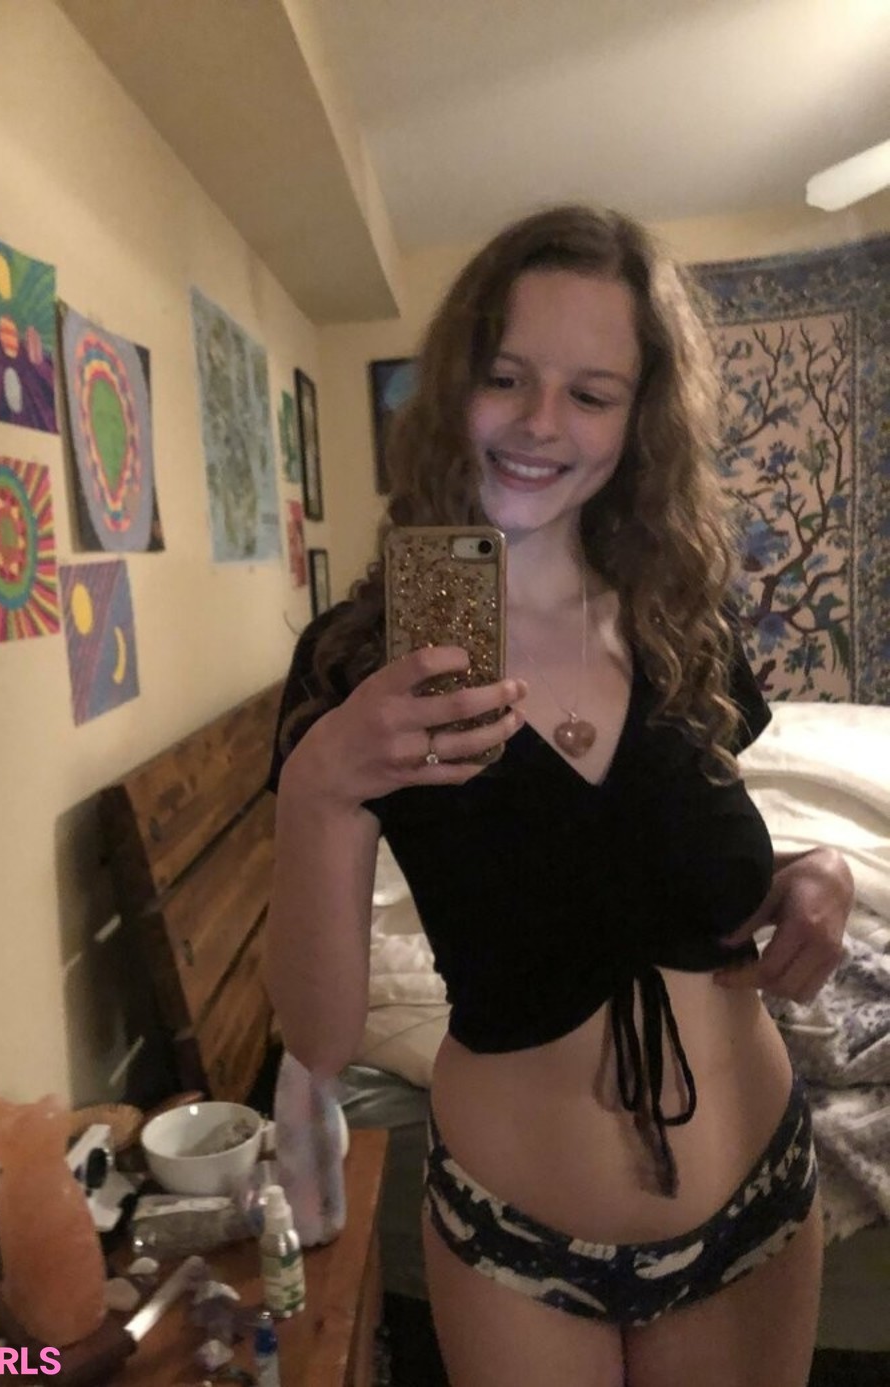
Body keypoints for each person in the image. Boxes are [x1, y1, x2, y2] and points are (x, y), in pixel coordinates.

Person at [263, 205, 853, 1387]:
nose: (541, 423)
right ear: (453, 390)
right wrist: (320, 787)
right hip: (520, 1246)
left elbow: (670, 859)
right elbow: (319, 1040)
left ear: (637, 421)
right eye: (507, 377)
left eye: (591, 393)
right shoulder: (365, 658)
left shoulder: (682, 616)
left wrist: (812, 874)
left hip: (756, 1206)